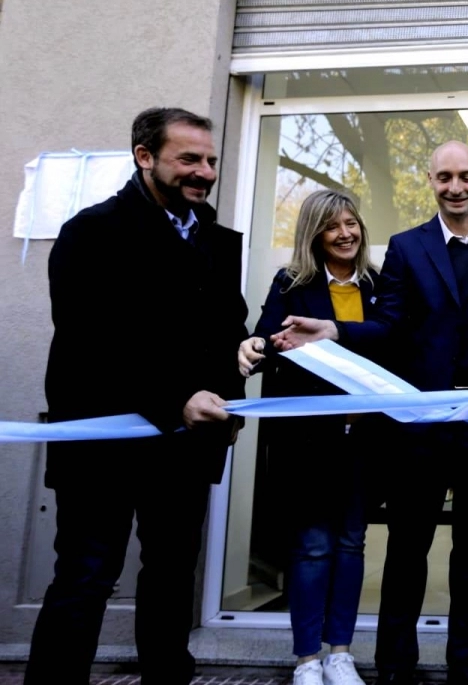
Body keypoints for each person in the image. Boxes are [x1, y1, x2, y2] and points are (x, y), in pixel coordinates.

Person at [270, 141, 468, 685]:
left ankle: (466, 662)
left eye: (465, 177)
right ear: (429, 180)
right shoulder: (407, 247)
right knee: (407, 547)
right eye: (445, 177)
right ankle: (395, 663)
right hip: (420, 422)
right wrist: (334, 330)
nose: (456, 187)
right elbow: (389, 326)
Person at [27, 107, 248, 684]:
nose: (204, 172)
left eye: (210, 160)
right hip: (104, 448)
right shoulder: (90, 233)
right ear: (144, 157)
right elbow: (90, 340)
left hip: (184, 449)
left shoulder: (218, 241)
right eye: (189, 159)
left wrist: (243, 370)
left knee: (173, 576)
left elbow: (227, 331)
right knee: (86, 576)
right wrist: (178, 397)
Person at [237, 190, 379, 685]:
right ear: (314, 235)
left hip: (363, 440)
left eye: (351, 223)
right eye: (332, 226)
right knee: (313, 546)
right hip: (308, 442)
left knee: (351, 543)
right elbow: (266, 339)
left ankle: (341, 653)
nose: (345, 233)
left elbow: (395, 343)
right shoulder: (291, 282)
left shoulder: (379, 286)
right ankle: (307, 659)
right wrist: (261, 343)